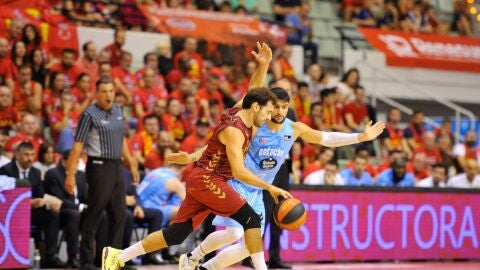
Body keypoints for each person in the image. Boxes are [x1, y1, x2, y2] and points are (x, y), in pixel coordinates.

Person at [169, 44, 384, 270]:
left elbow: (327, 139)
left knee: (248, 247)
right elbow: (221, 142)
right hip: (235, 182)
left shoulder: (294, 128)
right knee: (233, 233)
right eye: (277, 107)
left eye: (285, 106)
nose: (280, 112)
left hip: (259, 190)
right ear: (268, 107)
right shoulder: (254, 124)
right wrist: (192, 156)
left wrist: (361, 136)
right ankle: (194, 258)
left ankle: (200, 264)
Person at [102, 42, 290, 270]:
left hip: (202, 177)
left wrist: (264, 65)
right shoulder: (235, 130)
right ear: (257, 108)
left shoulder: (243, 109)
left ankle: (117, 257)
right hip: (209, 179)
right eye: (269, 111)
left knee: (176, 233)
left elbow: (255, 88)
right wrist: (270, 188)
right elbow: (239, 171)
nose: (270, 116)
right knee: (251, 220)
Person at [64, 77, 139, 270]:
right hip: (98, 166)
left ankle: (113, 260)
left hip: (116, 166)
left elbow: (122, 140)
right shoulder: (88, 115)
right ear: (96, 93)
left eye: (111, 91)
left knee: (119, 214)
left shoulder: (117, 110)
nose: (108, 95)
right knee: (94, 213)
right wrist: (70, 175)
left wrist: (131, 164)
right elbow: (77, 147)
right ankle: (86, 261)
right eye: (104, 91)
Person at [0, 142, 65, 268]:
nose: (30, 158)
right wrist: (29, 202)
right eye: (26, 155)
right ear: (17, 155)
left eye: (32, 155)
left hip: (31, 212)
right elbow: (5, 197)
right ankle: (15, 259)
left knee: (53, 215)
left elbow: (40, 195)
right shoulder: (5, 170)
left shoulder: (35, 172)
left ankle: (50, 257)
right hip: (12, 213)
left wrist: (45, 203)